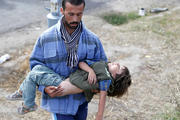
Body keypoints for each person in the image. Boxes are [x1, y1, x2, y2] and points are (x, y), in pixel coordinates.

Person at [6, 0, 107, 120]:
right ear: (62, 11)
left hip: (81, 102)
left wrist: (95, 85)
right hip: (58, 104)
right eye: (70, 14)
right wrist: (44, 88)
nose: (75, 19)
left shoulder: (93, 40)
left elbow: (103, 67)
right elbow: (36, 67)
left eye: (79, 14)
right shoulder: (46, 38)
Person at [8, 60, 131, 120]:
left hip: (61, 85)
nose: (117, 63)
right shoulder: (101, 67)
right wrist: (90, 70)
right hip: (63, 79)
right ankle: (21, 92)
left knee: (33, 76)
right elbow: (81, 63)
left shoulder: (105, 80)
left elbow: (102, 99)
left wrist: (99, 116)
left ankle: (29, 104)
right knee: (38, 68)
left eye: (119, 67)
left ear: (116, 77)